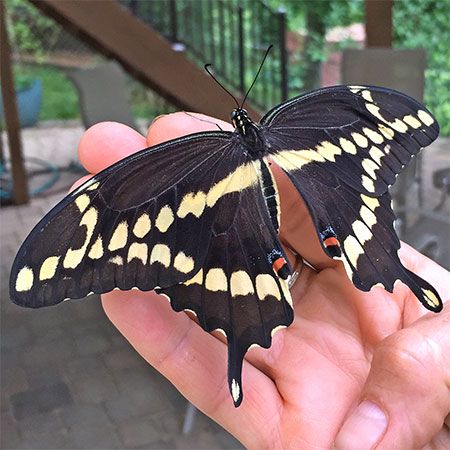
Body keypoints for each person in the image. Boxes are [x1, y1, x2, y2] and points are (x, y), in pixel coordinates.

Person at [73, 113, 449, 449]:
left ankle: (399, 280)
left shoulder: (208, 154)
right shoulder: (295, 121)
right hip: (230, 255)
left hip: (278, 228)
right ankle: (396, 278)